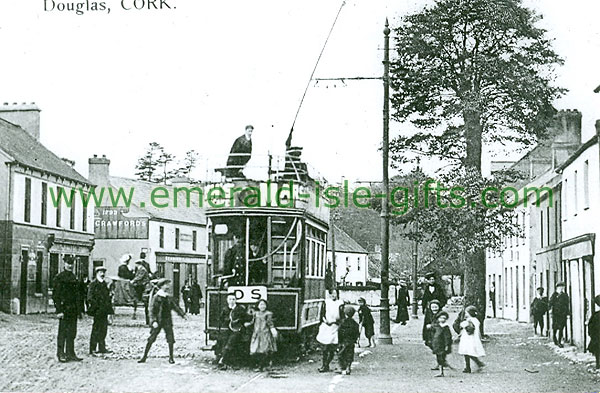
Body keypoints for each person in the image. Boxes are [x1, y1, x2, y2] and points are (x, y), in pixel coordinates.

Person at [138, 279, 187, 364]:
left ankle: (171, 358)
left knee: (170, 339)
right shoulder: (156, 297)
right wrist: (153, 321)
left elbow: (175, 307)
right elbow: (151, 310)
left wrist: (183, 314)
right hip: (158, 320)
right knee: (151, 338)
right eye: (166, 285)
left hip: (167, 320)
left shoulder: (168, 297)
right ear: (162, 286)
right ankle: (144, 357)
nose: (168, 286)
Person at [53, 257, 83, 363]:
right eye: (68, 263)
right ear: (64, 264)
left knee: (72, 332)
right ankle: (60, 353)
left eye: (71, 264)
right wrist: (59, 310)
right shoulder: (59, 277)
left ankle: (70, 353)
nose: (70, 266)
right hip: (64, 309)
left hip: (73, 310)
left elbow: (77, 295)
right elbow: (56, 296)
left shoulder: (74, 277)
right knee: (62, 332)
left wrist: (79, 311)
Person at [217, 293, 253, 369]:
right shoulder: (225, 309)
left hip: (237, 329)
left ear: (236, 300)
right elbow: (221, 319)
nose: (232, 301)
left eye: (233, 299)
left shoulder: (240, 309)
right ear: (227, 300)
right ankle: (225, 359)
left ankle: (223, 359)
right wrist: (227, 321)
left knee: (231, 340)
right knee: (224, 339)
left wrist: (243, 321)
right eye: (230, 299)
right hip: (227, 329)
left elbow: (247, 317)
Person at [87, 267, 114, 355]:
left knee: (103, 329)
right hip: (98, 310)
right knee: (96, 329)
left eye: (103, 272)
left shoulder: (104, 284)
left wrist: (109, 309)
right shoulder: (93, 284)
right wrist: (97, 307)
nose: (102, 274)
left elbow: (106, 298)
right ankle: (93, 349)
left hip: (104, 310)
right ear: (97, 273)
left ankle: (102, 348)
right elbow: (90, 298)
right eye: (101, 272)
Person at [316, 289, 344, 373]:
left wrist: (337, 323)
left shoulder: (340, 303)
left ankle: (327, 364)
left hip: (335, 326)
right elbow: (322, 314)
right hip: (326, 326)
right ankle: (324, 365)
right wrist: (325, 321)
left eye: (335, 293)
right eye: (332, 293)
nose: (333, 295)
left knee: (332, 348)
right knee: (325, 348)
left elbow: (342, 316)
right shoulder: (326, 302)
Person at [249, 299, 277, 371]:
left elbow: (270, 323)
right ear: (258, 306)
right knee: (255, 349)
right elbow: (253, 322)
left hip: (265, 334)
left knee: (264, 350)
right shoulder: (256, 313)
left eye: (264, 304)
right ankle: (260, 365)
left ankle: (262, 366)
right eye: (261, 304)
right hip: (257, 334)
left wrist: (273, 329)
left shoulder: (268, 314)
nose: (262, 306)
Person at [458, 306, 485, 373]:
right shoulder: (476, 320)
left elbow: (462, 325)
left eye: (467, 313)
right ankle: (468, 367)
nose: (466, 314)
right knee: (467, 352)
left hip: (469, 339)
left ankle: (477, 363)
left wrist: (464, 322)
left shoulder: (470, 320)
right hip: (469, 338)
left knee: (468, 352)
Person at [429, 311, 453, 377]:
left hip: (442, 345)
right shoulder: (436, 326)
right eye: (441, 318)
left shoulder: (446, 327)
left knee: (441, 357)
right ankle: (443, 366)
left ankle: (441, 371)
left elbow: (448, 337)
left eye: (444, 318)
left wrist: (447, 345)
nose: (442, 319)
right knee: (438, 357)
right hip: (437, 344)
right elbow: (432, 333)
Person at [337, 305, 360, 375]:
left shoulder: (342, 323)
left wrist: (339, 341)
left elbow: (339, 332)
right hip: (351, 342)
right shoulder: (355, 324)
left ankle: (341, 367)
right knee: (350, 355)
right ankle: (348, 367)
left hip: (343, 341)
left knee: (341, 354)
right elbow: (357, 333)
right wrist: (355, 340)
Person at [549, 282, 570, 348]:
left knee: (561, 327)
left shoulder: (565, 295)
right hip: (556, 314)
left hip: (563, 314)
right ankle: (554, 338)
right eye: (560, 287)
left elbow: (567, 305)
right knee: (555, 327)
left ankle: (559, 341)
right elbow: (550, 303)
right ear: (557, 288)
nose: (561, 288)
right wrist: (550, 310)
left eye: (563, 287)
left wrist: (568, 313)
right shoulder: (554, 295)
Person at [131, 259, 151, 324]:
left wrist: (133, 281)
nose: (135, 265)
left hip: (144, 284)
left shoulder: (142, 269)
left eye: (136, 264)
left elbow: (139, 277)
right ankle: (136, 298)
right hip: (141, 283)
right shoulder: (140, 269)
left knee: (135, 287)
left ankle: (138, 299)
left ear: (138, 264)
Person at [586, 295, 600, 369]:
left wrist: (591, 335)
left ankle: (598, 364)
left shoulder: (595, 315)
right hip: (597, 337)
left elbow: (590, 326)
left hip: (597, 338)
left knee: (597, 351)